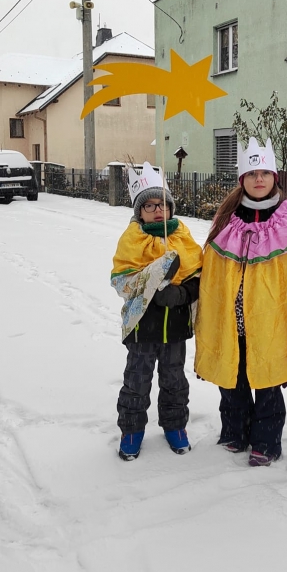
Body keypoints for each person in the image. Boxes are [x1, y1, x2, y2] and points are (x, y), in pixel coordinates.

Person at [194, 138, 287, 466]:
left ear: (275, 178)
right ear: (242, 179)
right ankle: (234, 432)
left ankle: (266, 442)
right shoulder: (226, 218)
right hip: (231, 319)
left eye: (265, 173)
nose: (260, 179)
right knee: (233, 377)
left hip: (270, 321)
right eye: (253, 174)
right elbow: (210, 270)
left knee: (268, 382)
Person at [110, 162, 203, 461]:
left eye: (162, 204)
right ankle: (131, 429)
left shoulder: (182, 236)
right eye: (149, 206)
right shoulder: (132, 238)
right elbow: (121, 280)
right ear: (139, 211)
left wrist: (181, 293)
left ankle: (175, 425)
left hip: (176, 326)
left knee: (174, 380)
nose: (157, 210)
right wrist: (150, 283)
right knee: (137, 380)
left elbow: (199, 276)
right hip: (142, 328)